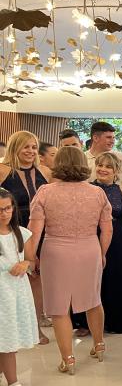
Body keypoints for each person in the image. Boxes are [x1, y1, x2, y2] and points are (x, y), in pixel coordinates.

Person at [27, 146, 113, 375]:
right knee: (93, 299)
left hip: (56, 251)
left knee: (59, 306)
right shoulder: (97, 193)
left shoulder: (45, 192)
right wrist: (102, 253)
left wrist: (30, 257)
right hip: (90, 249)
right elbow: (107, 229)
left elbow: (34, 231)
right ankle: (99, 345)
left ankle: (68, 359)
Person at [0, 130, 52, 344]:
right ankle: (10, 327)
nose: (31, 151)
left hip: (41, 229)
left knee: (36, 276)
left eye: (34, 147)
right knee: (13, 276)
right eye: (26, 146)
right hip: (12, 228)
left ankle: (35, 327)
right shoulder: (3, 170)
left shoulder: (45, 171)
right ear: (15, 147)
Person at [93, 152, 122, 334]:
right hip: (94, 237)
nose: (103, 169)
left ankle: (120, 321)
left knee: (118, 279)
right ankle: (91, 323)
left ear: (116, 171)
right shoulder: (88, 189)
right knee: (95, 280)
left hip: (119, 239)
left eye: (108, 166)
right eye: (100, 165)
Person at [0, 188, 37, 386]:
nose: (4, 213)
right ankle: (13, 383)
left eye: (7, 208)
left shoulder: (22, 234)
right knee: (5, 337)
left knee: (8, 335)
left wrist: (25, 264)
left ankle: (7, 376)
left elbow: (31, 260)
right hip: (2, 292)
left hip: (15, 292)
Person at [84, 122, 122, 197]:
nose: (112, 141)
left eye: (113, 138)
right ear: (95, 138)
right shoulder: (82, 159)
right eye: (108, 137)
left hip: (119, 203)